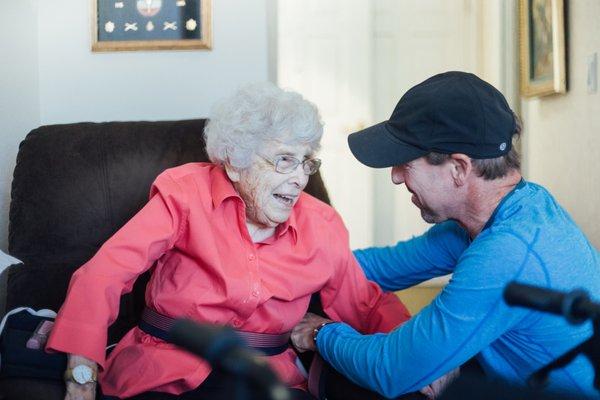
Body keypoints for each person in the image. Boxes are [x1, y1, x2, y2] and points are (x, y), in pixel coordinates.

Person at [46, 83, 411, 400]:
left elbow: (365, 305)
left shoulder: (322, 225)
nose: (300, 178)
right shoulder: (185, 194)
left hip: (265, 379)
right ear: (236, 163)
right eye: (285, 160)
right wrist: (81, 376)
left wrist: (421, 359)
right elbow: (105, 273)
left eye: (307, 163)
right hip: (167, 370)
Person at [291, 71, 600, 399]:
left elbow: (391, 369)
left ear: (459, 168)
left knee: (367, 384)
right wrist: (277, 264)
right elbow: (373, 267)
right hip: (513, 378)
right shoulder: (514, 207)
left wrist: (322, 333)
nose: (395, 177)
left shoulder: (506, 252)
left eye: (406, 164)